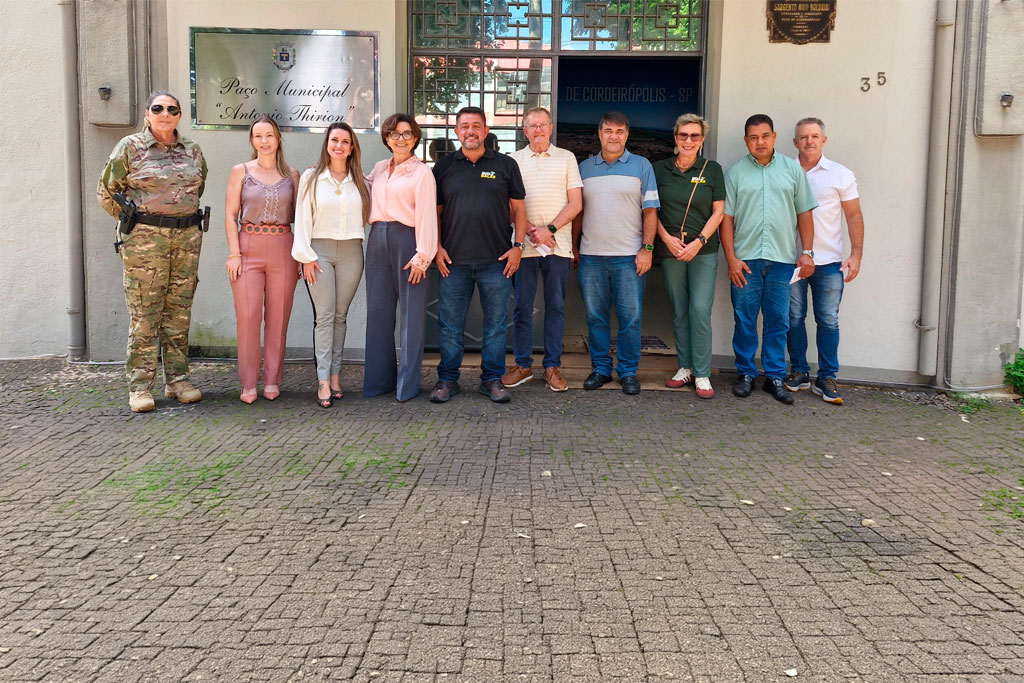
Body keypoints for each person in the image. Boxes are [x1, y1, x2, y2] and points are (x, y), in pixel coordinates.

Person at [97, 90, 208, 413]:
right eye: (158, 108)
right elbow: (107, 192)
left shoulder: (193, 150)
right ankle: (140, 386)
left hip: (186, 238)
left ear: (178, 116)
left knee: (178, 311)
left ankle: (178, 381)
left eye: (172, 109)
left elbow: (197, 188)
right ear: (147, 113)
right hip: (145, 242)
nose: (165, 113)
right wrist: (137, 224)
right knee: (145, 313)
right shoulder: (130, 148)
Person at [430, 106, 528, 404]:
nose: (470, 131)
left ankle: (492, 380)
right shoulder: (444, 167)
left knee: (496, 326)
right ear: (457, 132)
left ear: (486, 131)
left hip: (496, 261)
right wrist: (436, 247)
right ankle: (448, 380)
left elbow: (520, 210)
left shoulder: (506, 164)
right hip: (453, 262)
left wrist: (518, 247)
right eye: (464, 126)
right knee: (449, 325)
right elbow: (434, 213)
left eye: (476, 125)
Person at [720, 114, 817, 405]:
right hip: (745, 261)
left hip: (783, 260)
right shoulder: (735, 173)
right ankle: (746, 373)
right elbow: (727, 220)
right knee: (745, 319)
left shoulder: (792, 170)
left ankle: (774, 375)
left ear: (774, 137)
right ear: (746, 140)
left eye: (765, 136)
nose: (759, 142)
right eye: (753, 137)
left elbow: (805, 213)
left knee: (778, 321)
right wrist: (731, 259)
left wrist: (808, 252)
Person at [572, 111, 660, 396]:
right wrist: (573, 247)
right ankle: (600, 369)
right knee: (595, 317)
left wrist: (647, 249)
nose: (613, 136)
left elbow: (650, 211)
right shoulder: (584, 168)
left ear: (627, 135)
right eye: (608, 130)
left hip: (628, 257)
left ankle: (628, 371)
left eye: (619, 131)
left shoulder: (642, 166)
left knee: (630, 318)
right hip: (591, 256)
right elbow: (578, 212)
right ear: (599, 134)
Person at [784, 117, 865, 404]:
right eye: (803, 137)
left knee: (828, 320)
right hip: (791, 261)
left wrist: (856, 254)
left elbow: (853, 216)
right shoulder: (785, 171)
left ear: (823, 140)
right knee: (793, 318)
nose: (809, 141)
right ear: (795, 142)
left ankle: (827, 376)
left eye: (814, 136)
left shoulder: (840, 174)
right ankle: (799, 371)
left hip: (829, 262)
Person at [502, 107, 583, 392]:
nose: (537, 130)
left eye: (542, 125)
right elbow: (507, 204)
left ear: (551, 128)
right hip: (522, 247)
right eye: (532, 126)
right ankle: (523, 365)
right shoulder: (513, 160)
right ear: (524, 131)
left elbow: (576, 203)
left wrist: (548, 230)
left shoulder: (567, 158)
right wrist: (527, 233)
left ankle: (552, 366)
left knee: (556, 307)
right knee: (522, 307)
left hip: (556, 246)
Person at [292, 122, 370, 408]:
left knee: (340, 316)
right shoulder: (312, 178)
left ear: (351, 148)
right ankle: (322, 380)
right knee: (324, 317)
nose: (339, 145)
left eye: (345, 141)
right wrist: (306, 257)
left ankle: (336, 376)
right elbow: (301, 218)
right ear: (327, 144)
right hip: (319, 252)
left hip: (352, 252)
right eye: (334, 140)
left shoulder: (359, 179)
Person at [223, 116, 300, 404]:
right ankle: (247, 383)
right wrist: (234, 253)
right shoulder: (240, 171)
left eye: (269, 135)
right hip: (248, 245)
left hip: (283, 245)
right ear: (252, 141)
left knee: (279, 317)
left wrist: (301, 255)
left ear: (278, 138)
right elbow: (230, 215)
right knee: (248, 316)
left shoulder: (292, 175)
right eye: (258, 136)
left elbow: (301, 218)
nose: (264, 141)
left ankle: (272, 379)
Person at [363, 113, 438, 402]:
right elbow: (360, 188)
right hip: (377, 240)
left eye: (407, 134)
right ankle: (379, 382)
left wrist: (423, 256)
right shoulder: (380, 168)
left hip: (408, 240)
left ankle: (407, 386)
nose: (401, 139)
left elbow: (428, 216)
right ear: (386, 138)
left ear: (416, 138)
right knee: (378, 312)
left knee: (411, 315)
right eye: (395, 134)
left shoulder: (422, 173)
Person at [652, 113, 725, 399]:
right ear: (675, 137)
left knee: (699, 311)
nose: (688, 140)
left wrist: (700, 240)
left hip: (702, 250)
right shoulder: (659, 169)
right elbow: (650, 211)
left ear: (702, 140)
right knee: (680, 311)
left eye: (695, 136)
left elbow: (719, 211)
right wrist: (665, 238)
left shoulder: (713, 170)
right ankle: (685, 367)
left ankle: (703, 372)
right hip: (670, 250)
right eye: (683, 135)